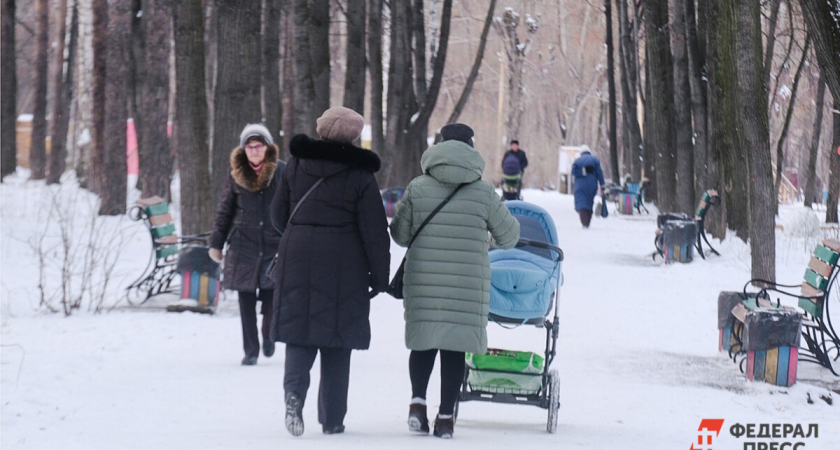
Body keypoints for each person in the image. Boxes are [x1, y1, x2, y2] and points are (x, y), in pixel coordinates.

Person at [390, 123, 521, 439]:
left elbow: (400, 234)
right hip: (466, 285)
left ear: (438, 147)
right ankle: (445, 418)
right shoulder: (483, 192)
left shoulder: (419, 187)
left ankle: (417, 405)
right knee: (455, 348)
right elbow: (510, 236)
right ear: (471, 149)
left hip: (424, 281)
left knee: (424, 341)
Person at [269, 106, 390, 437]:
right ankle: (333, 419)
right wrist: (380, 278)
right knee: (338, 340)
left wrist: (299, 236)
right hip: (344, 265)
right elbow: (375, 232)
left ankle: (294, 394)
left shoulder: (296, 164)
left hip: (296, 257)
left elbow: (278, 215)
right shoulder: (361, 175)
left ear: (322, 130)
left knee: (299, 332)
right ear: (352, 137)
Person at [209, 124, 284, 366]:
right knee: (246, 300)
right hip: (244, 245)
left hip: (274, 245)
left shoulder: (281, 172)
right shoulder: (235, 175)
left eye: (258, 145)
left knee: (272, 295)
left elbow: (292, 208)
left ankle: (268, 334)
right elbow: (225, 211)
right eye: (249, 146)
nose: (254, 150)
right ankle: (251, 350)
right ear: (243, 149)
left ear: (267, 147)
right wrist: (216, 243)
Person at [571, 148, 605, 228]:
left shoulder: (577, 161)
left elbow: (573, 172)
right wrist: (602, 184)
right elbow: (599, 173)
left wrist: (582, 172)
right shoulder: (595, 160)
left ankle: (583, 221)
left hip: (579, 186)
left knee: (581, 203)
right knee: (589, 202)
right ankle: (587, 221)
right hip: (591, 185)